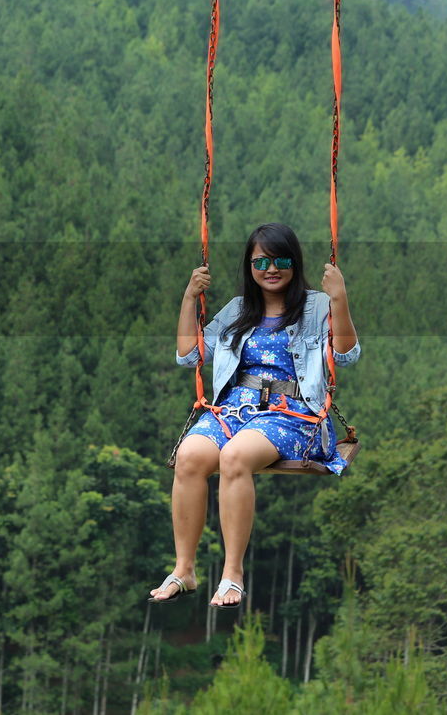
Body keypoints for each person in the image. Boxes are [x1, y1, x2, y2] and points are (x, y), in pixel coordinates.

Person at [148, 222, 360, 609]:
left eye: (281, 261)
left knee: (234, 457)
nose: (271, 269)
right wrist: (189, 299)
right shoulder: (236, 311)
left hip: (292, 413)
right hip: (233, 408)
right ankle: (184, 569)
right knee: (190, 457)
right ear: (249, 266)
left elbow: (346, 354)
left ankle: (232, 574)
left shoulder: (315, 306)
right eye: (261, 261)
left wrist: (340, 299)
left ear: (294, 264)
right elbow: (189, 355)